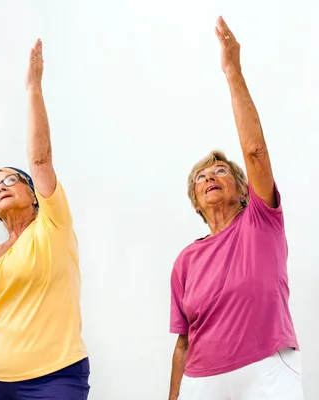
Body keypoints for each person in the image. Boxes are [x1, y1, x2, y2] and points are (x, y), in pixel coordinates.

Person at [168, 17, 303, 400]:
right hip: (200, 381)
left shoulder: (261, 220)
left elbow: (255, 151)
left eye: (221, 171)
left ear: (244, 191)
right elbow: (182, 343)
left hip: (268, 370)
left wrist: (233, 72)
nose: (210, 177)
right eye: (201, 177)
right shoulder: (185, 262)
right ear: (195, 201)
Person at [0, 39, 90, 400]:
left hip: (56, 375)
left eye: (9, 180)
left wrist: (33, 89)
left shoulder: (52, 225)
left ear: (34, 193)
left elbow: (40, 160)